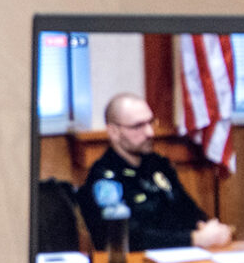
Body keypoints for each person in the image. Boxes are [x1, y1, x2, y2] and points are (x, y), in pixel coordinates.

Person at [77, 92, 234, 254]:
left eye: (150, 122)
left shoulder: (158, 165)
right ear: (114, 132)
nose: (150, 132)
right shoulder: (105, 178)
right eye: (138, 126)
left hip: (180, 260)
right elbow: (124, 237)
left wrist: (210, 229)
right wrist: (194, 239)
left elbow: (190, 212)